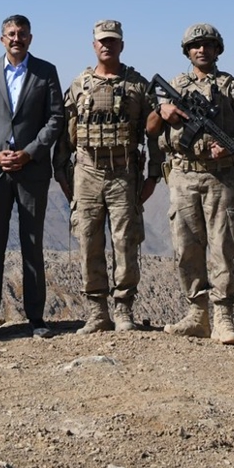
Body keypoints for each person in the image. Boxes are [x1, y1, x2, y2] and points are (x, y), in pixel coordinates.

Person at [149, 23, 234, 344]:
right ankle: (197, 314)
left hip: (220, 176)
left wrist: (232, 145)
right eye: (195, 46)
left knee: (222, 247)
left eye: (208, 45)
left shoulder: (231, 87)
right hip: (183, 176)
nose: (201, 50)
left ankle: (223, 317)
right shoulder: (175, 85)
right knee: (186, 247)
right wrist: (162, 109)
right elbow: (151, 128)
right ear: (187, 51)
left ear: (217, 50)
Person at [54, 20, 162, 334]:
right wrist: (61, 173)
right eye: (102, 41)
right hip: (86, 172)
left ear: (121, 45)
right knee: (89, 241)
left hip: (124, 173)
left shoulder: (138, 85)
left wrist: (153, 175)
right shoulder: (79, 84)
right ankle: (97, 312)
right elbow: (66, 132)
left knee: (125, 243)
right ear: (93, 45)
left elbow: (154, 133)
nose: (107, 45)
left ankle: (124, 310)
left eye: (113, 40)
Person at [0, 14, 64, 342]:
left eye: (21, 34)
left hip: (31, 171)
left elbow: (56, 117)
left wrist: (30, 152)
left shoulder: (46, 72)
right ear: (2, 39)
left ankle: (36, 318)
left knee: (32, 245)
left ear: (30, 38)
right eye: (10, 33)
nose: (16, 38)